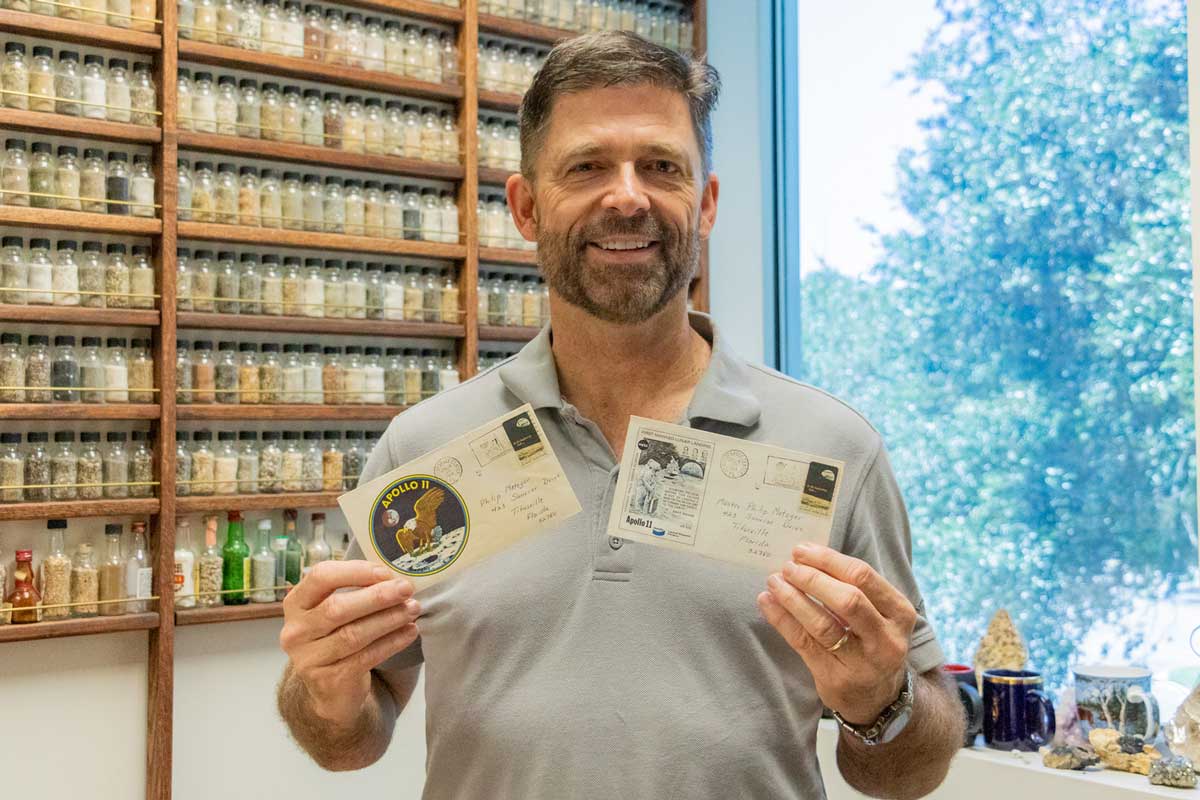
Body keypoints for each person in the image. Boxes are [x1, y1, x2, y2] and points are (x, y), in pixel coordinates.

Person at [276, 31, 963, 800]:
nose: (628, 195)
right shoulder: (426, 450)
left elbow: (916, 769)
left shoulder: (834, 449)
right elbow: (351, 741)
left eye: (662, 166)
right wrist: (323, 691)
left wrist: (881, 701)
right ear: (527, 207)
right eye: (587, 166)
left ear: (705, 204)